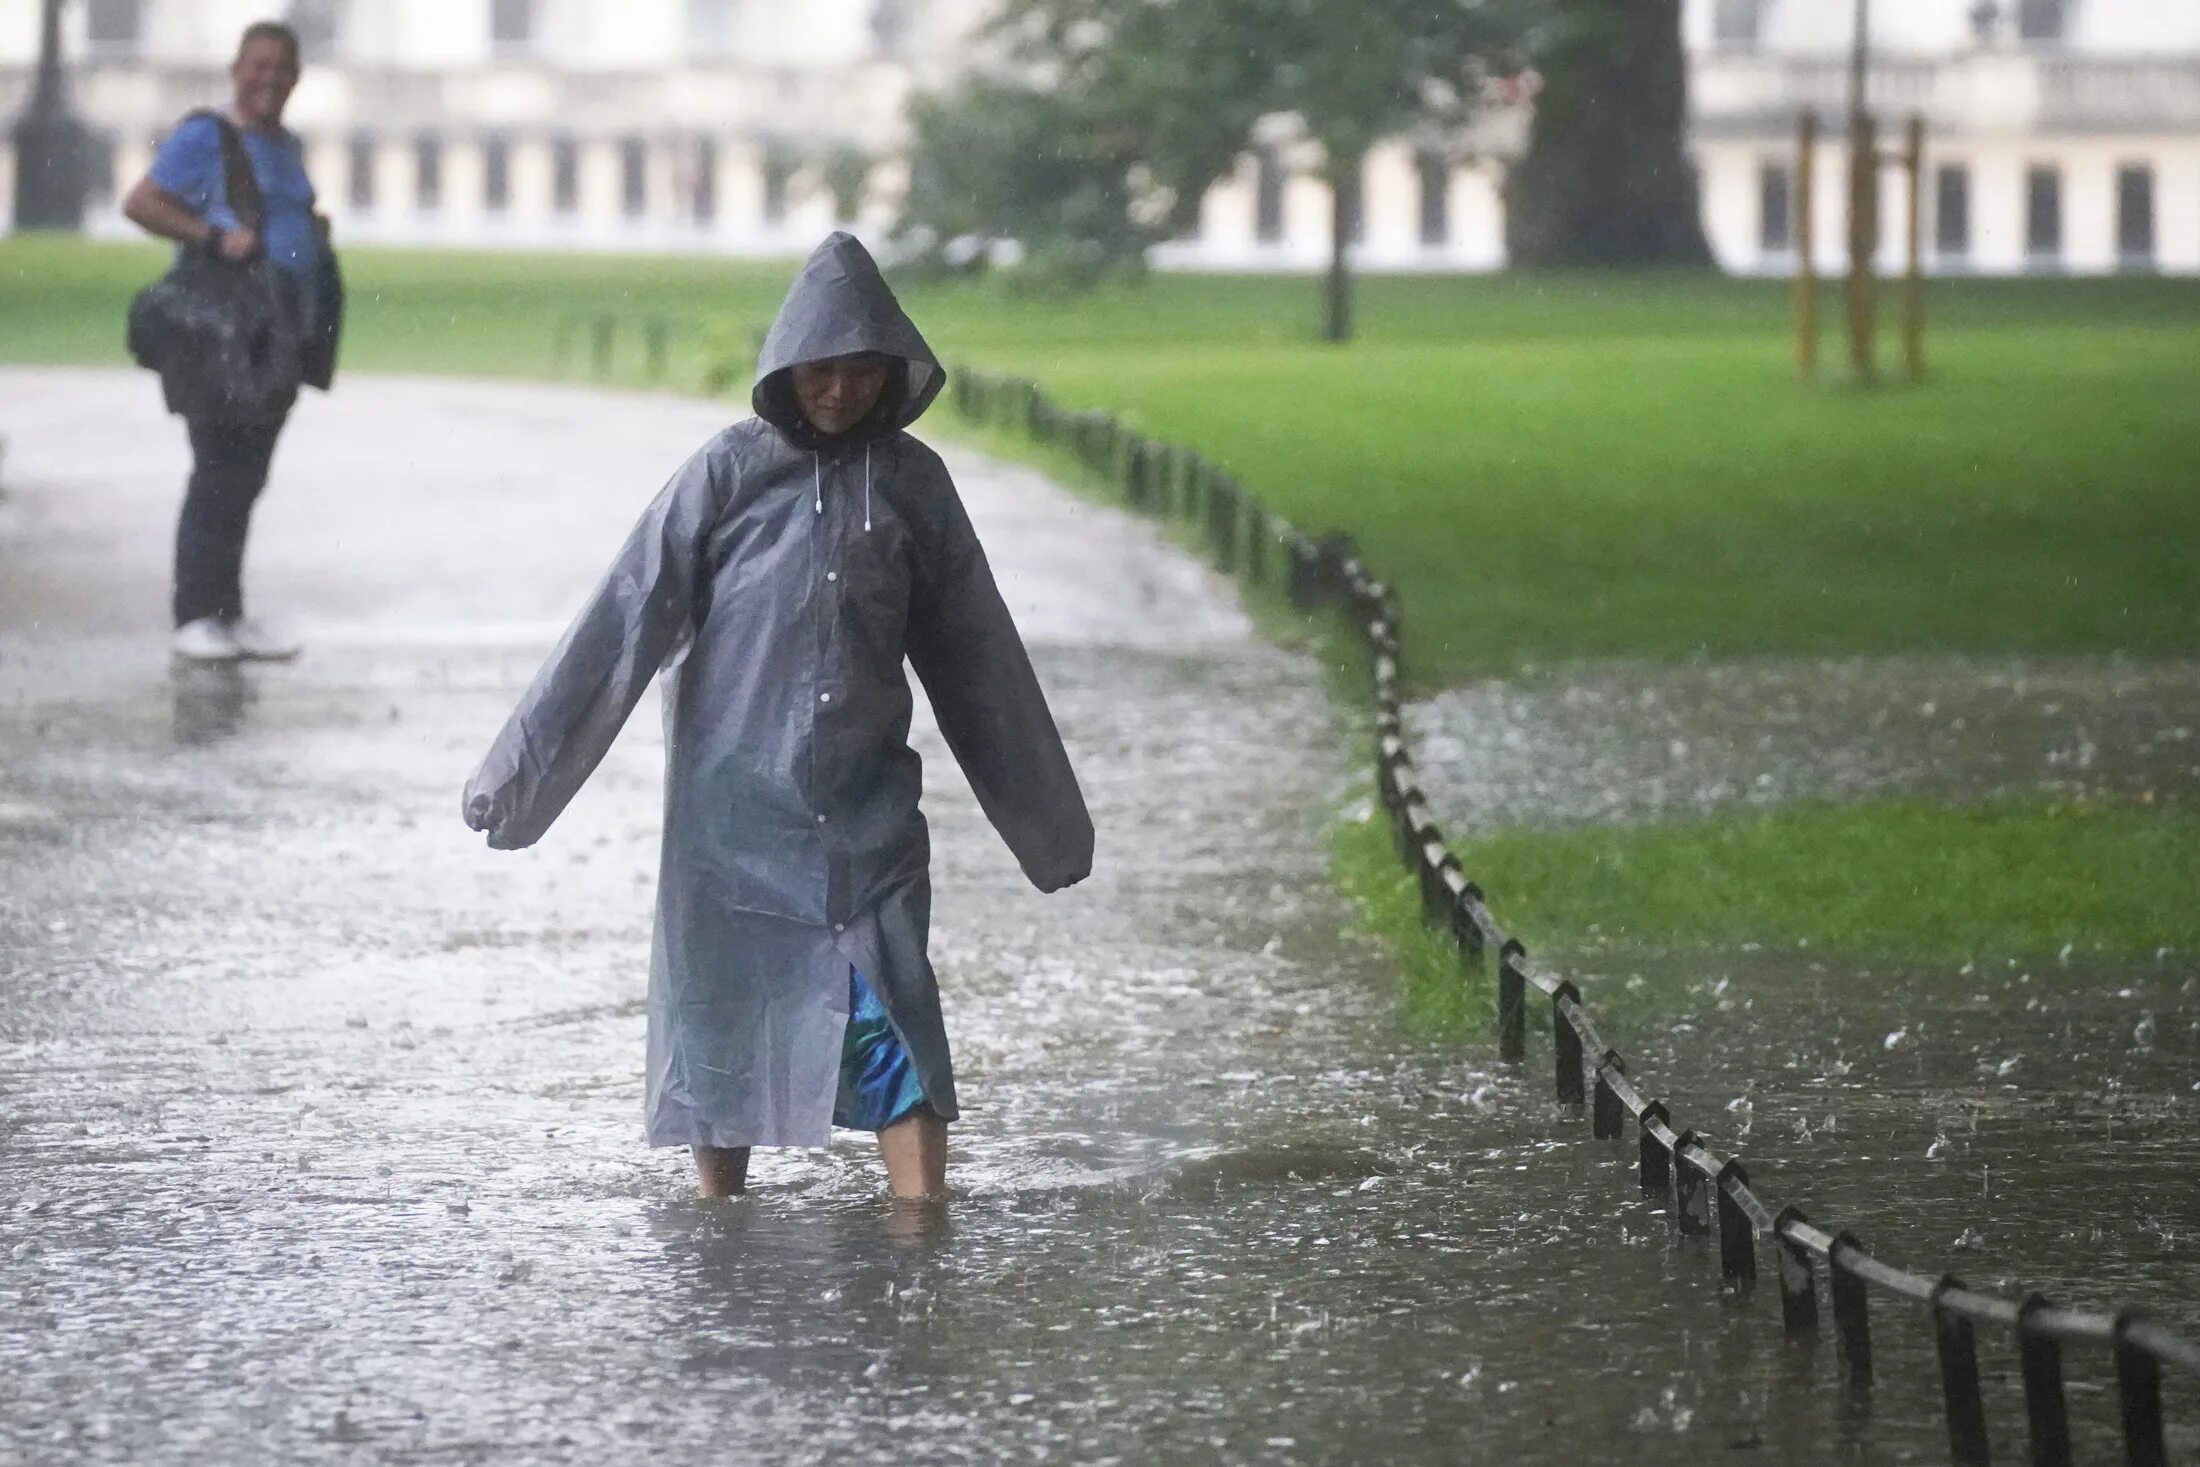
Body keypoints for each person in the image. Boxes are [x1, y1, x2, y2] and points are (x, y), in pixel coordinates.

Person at [462, 233, 1094, 1201]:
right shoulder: (723, 475)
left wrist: (1049, 829)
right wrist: (519, 781)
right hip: (730, 814)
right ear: (785, 372)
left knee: (895, 1009)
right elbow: (622, 622)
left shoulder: (915, 486)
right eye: (820, 374)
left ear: (893, 377)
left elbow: (978, 656)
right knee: (723, 1018)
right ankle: (724, 1227)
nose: (839, 394)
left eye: (860, 374)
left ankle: (921, 1231)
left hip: (866, 805)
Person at [123, 20, 334, 664]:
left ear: (296, 75)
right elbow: (142, 202)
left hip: (276, 334)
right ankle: (194, 616)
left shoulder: (286, 142)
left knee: (246, 475)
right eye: (258, 64)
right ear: (236, 70)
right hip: (223, 333)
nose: (269, 77)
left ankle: (227, 615)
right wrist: (214, 238)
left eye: (282, 66)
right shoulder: (206, 136)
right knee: (219, 469)